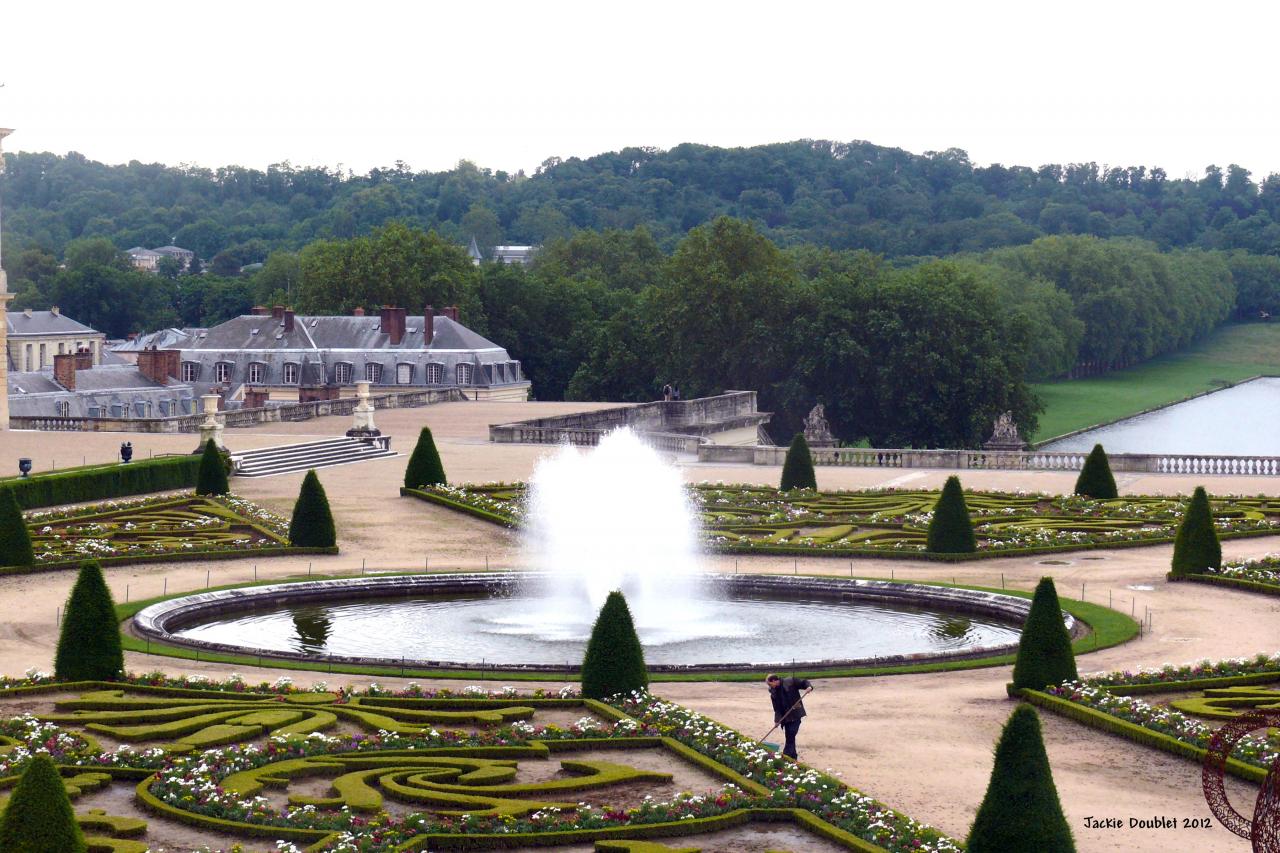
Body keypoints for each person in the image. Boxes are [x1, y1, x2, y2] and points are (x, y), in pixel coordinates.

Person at [766, 673, 812, 759]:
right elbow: (777, 709)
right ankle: (793, 757)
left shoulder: (790, 681)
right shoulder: (773, 693)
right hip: (785, 719)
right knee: (790, 737)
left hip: (796, 714)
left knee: (790, 735)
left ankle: (785, 756)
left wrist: (809, 687)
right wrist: (777, 720)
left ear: (774, 681)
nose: (770, 686)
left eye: (769, 684)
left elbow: (804, 682)